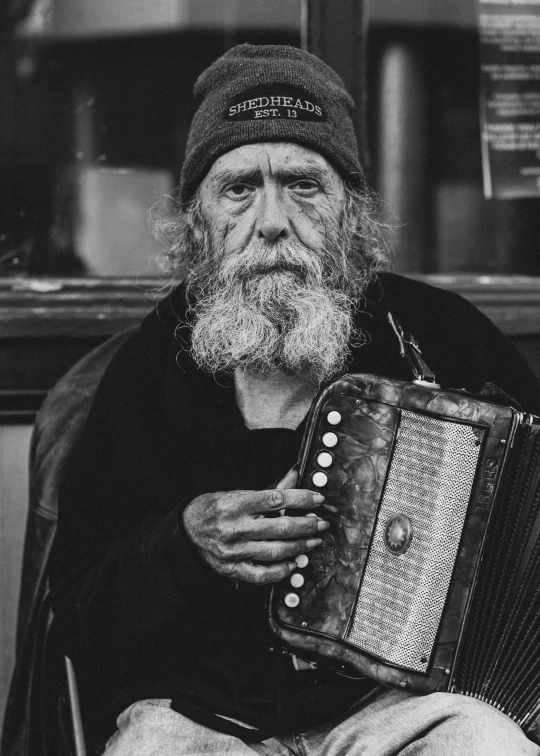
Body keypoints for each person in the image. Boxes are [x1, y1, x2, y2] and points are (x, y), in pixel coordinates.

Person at [49, 44, 540, 755]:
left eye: (305, 184)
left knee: (485, 742)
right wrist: (185, 545)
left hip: (398, 709)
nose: (273, 220)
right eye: (240, 187)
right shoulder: (148, 374)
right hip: (205, 720)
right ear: (199, 223)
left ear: (351, 212)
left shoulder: (443, 338)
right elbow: (78, 617)